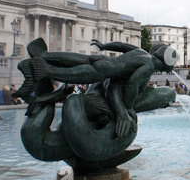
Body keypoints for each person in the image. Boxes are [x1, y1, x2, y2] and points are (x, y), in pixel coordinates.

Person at [14, 38, 178, 137]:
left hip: (104, 61)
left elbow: (121, 46)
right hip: (105, 71)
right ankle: (45, 71)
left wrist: (104, 45)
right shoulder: (149, 66)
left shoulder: (141, 52)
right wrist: (127, 108)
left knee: (82, 59)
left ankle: (43, 55)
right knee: (72, 74)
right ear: (165, 64)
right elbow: (133, 83)